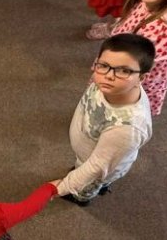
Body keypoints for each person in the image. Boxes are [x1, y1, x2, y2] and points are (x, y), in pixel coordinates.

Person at [57, 34, 155, 206]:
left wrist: (61, 187)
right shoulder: (110, 86)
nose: (109, 76)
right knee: (84, 172)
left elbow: (97, 167)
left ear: (141, 78)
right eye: (103, 65)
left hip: (99, 166)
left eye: (124, 71)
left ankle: (82, 198)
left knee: (86, 185)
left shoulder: (127, 129)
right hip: (90, 153)